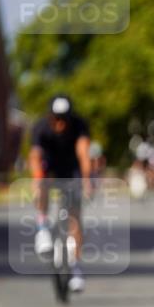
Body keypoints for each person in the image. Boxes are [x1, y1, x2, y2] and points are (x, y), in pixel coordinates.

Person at [30, 95, 92, 292]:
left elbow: (84, 153)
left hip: (71, 170)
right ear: (50, 117)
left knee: (75, 217)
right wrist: (37, 180)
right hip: (50, 168)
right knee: (42, 183)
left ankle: (75, 268)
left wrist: (87, 179)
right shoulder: (40, 128)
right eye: (56, 118)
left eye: (64, 119)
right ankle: (42, 228)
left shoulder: (79, 125)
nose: (60, 123)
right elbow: (35, 157)